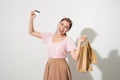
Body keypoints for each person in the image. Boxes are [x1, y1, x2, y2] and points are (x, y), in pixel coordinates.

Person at [29, 10, 87, 80]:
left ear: (68, 30)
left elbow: (75, 57)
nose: (62, 28)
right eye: (62, 24)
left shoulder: (68, 40)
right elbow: (31, 32)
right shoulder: (48, 36)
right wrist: (31, 19)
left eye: (66, 27)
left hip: (62, 68)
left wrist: (79, 43)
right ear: (58, 23)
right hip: (50, 66)